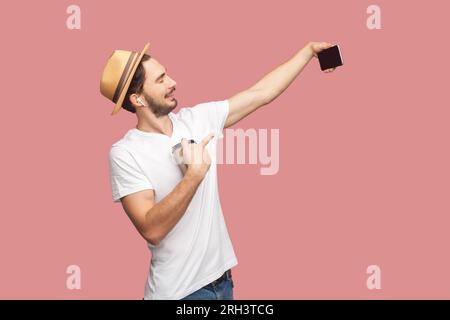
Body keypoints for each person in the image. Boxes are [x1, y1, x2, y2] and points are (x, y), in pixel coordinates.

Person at [100, 41, 336, 300]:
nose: (173, 82)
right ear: (138, 99)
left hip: (222, 283)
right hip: (179, 293)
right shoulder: (125, 153)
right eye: (161, 80)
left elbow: (261, 92)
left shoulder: (196, 120)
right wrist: (194, 175)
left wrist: (308, 52)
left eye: (167, 73)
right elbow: (152, 230)